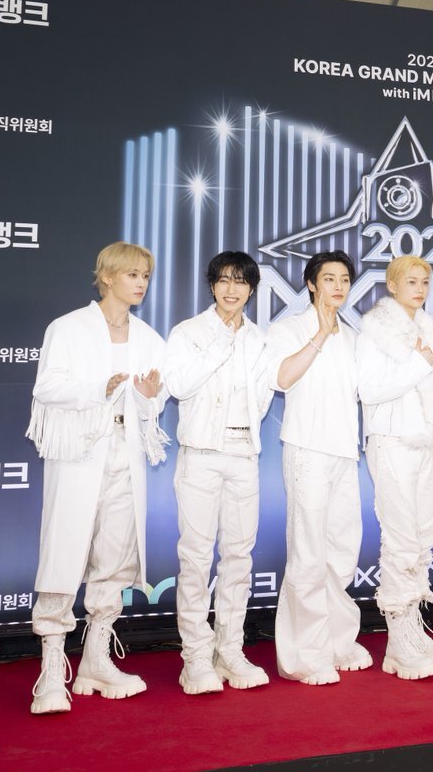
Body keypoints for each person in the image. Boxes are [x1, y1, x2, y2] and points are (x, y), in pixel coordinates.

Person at [25, 241, 169, 715]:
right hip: (79, 452)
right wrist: (98, 388)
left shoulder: (149, 337)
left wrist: (147, 395)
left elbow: (156, 400)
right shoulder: (67, 327)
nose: (140, 283)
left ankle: (96, 659)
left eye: (145, 275)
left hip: (126, 454)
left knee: (115, 556)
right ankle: (51, 671)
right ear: (107, 277)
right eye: (132, 274)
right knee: (63, 555)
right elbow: (47, 386)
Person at [163, 251, 276, 696]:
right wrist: (219, 342)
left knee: (238, 557)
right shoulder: (188, 332)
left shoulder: (260, 339)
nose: (232, 289)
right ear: (212, 286)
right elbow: (179, 385)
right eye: (224, 280)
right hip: (200, 455)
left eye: (241, 281)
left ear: (251, 289)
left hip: (243, 454)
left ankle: (229, 649)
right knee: (195, 557)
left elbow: (262, 399)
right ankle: (195, 655)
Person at [268, 250, 369, 685]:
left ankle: (337, 642)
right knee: (308, 554)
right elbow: (281, 378)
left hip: (345, 453)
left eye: (344, 279)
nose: (338, 286)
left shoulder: (355, 336)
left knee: (341, 553)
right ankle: (305, 655)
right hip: (307, 450)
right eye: (329, 279)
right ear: (311, 284)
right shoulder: (288, 328)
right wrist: (320, 336)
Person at [356, 256, 433, 679]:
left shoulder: (429, 329)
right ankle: (397, 642)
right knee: (400, 537)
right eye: (411, 281)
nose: (419, 289)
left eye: (425, 282)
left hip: (423, 446)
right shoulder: (374, 329)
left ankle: (413, 629)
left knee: (421, 536)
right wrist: (419, 364)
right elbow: (369, 390)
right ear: (392, 285)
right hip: (391, 440)